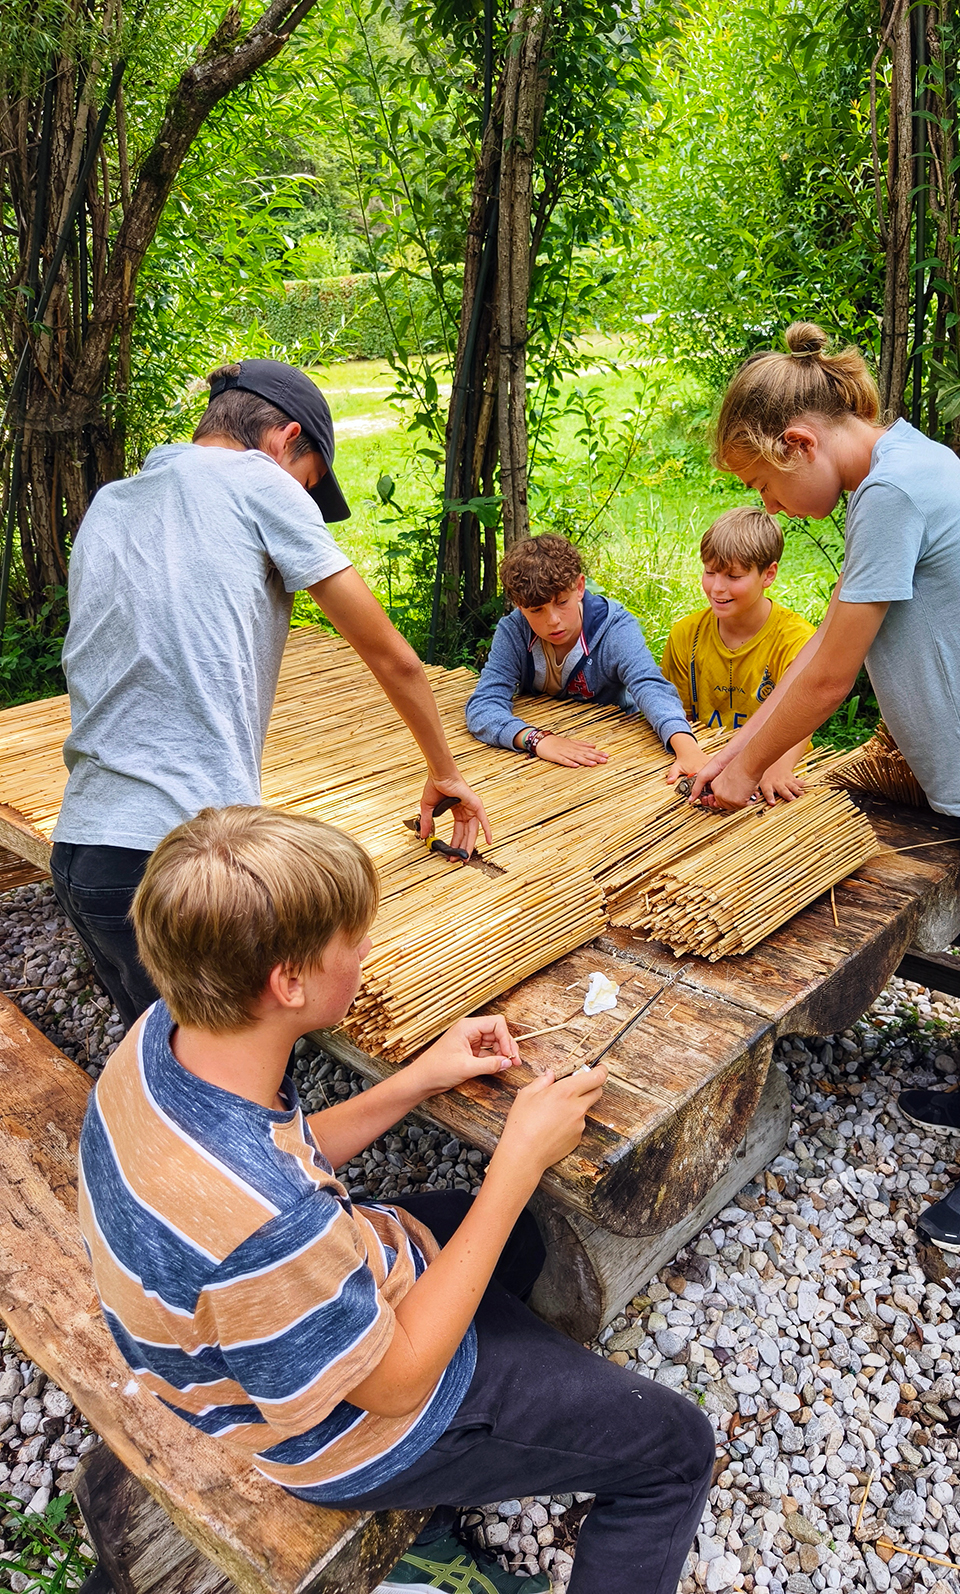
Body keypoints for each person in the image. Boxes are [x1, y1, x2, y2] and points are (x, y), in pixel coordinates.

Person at [77, 805, 715, 1594]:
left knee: (523, 1245)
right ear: (290, 981)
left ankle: (503, 1422)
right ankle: (467, 1450)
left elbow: (287, 1149)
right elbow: (395, 1383)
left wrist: (418, 1078)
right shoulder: (270, 1225)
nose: (369, 950)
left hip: (298, 1304)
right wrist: (512, 1164)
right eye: (355, 940)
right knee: (677, 1448)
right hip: (348, 1434)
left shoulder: (162, 1036)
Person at [690, 322, 960, 1254]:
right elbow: (832, 644)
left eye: (763, 486)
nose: (772, 506)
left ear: (801, 442)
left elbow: (831, 675)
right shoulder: (892, 473)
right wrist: (744, 750)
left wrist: (745, 769)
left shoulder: (895, 492)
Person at [51, 359, 489, 1031]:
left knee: (162, 1077)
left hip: (82, 853)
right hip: (182, 868)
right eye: (307, 483)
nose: (302, 498)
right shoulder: (259, 481)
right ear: (285, 440)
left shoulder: (111, 503)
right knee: (231, 1089)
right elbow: (393, 658)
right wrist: (444, 771)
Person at [465, 533, 705, 781]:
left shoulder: (615, 628)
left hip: (615, 754)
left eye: (561, 602)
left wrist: (687, 749)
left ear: (579, 587)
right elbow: (483, 706)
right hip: (539, 768)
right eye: (537, 610)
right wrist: (536, 739)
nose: (553, 620)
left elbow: (649, 685)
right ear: (518, 604)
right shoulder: (513, 631)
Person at [661, 505, 816, 802]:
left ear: (768, 574)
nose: (717, 588)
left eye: (733, 576)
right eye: (710, 572)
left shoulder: (795, 640)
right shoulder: (686, 635)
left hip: (777, 768)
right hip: (706, 763)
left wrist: (780, 766)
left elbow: (803, 714)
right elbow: (676, 712)